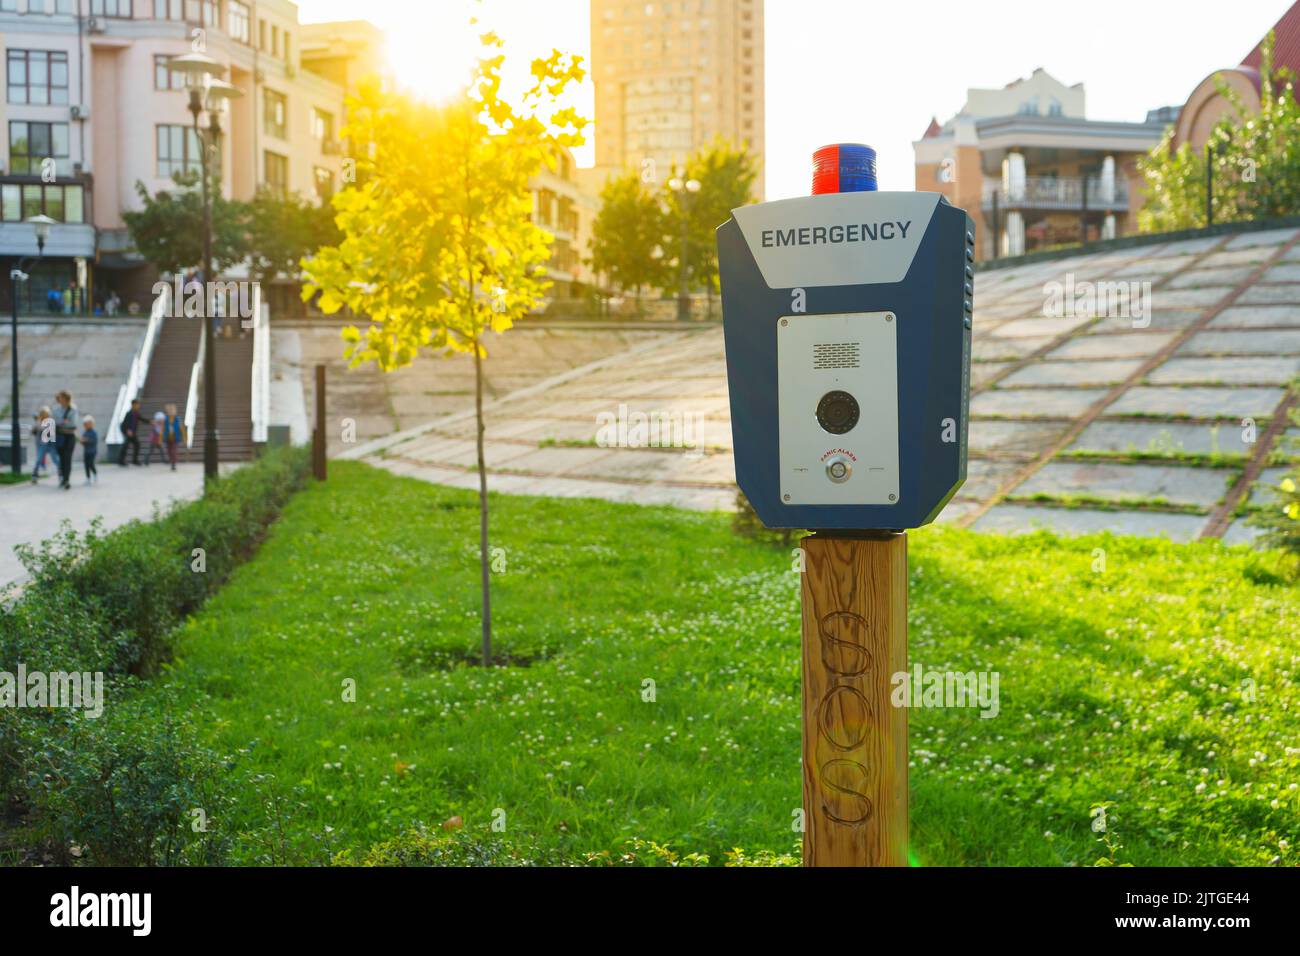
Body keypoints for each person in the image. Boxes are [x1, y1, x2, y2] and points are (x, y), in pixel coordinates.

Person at [52, 391, 78, 491]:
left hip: (69, 437)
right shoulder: (56, 409)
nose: (60, 399)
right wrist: (64, 422)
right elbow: (54, 421)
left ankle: (67, 479)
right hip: (59, 437)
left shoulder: (73, 409)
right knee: (61, 458)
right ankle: (62, 478)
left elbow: (73, 424)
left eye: (62, 397)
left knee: (67, 458)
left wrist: (61, 423)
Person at [29, 407, 58, 483]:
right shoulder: (38, 423)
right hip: (42, 445)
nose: (44, 416)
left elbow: (52, 434)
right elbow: (33, 432)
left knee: (55, 459)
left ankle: (61, 473)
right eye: (43, 414)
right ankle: (35, 475)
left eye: (46, 414)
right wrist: (34, 430)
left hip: (50, 445)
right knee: (38, 459)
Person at [119, 398, 143, 466]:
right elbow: (125, 423)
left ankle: (134, 460)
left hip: (133, 433)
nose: (138, 406)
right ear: (133, 405)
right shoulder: (129, 413)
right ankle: (121, 460)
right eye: (137, 405)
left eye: (138, 405)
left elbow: (141, 419)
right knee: (125, 446)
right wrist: (128, 430)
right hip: (128, 432)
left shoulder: (137, 413)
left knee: (137, 445)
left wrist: (150, 422)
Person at [162, 403, 185, 471]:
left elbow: (182, 428)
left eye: (172, 410)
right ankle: (172, 461)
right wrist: (161, 437)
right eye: (169, 410)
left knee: (173, 451)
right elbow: (162, 429)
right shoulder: (165, 419)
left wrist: (184, 436)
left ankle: (173, 464)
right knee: (169, 451)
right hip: (168, 437)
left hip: (175, 437)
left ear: (175, 411)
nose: (171, 412)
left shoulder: (177, 419)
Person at [80, 416, 98, 485]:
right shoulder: (85, 432)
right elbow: (83, 441)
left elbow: (94, 441)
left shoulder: (94, 432)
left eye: (87, 424)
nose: (86, 425)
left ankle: (95, 474)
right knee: (86, 465)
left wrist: (87, 440)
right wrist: (82, 441)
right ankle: (88, 478)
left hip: (92, 451)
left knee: (91, 463)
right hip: (86, 451)